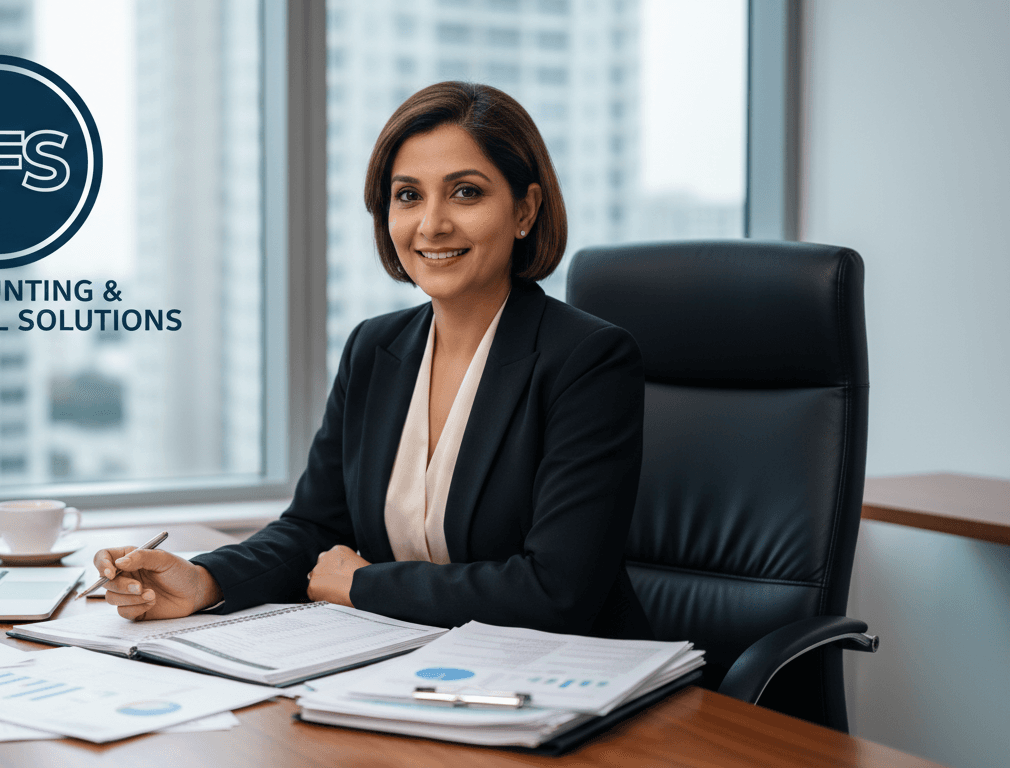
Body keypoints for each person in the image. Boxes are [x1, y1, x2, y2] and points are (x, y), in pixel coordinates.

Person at [95, 82, 651, 639]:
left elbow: (557, 591)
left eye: (465, 192)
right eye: (408, 195)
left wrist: (364, 586)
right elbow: (314, 528)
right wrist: (204, 580)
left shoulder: (588, 360)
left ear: (525, 209)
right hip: (413, 662)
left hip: (564, 672)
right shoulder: (374, 348)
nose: (431, 224)